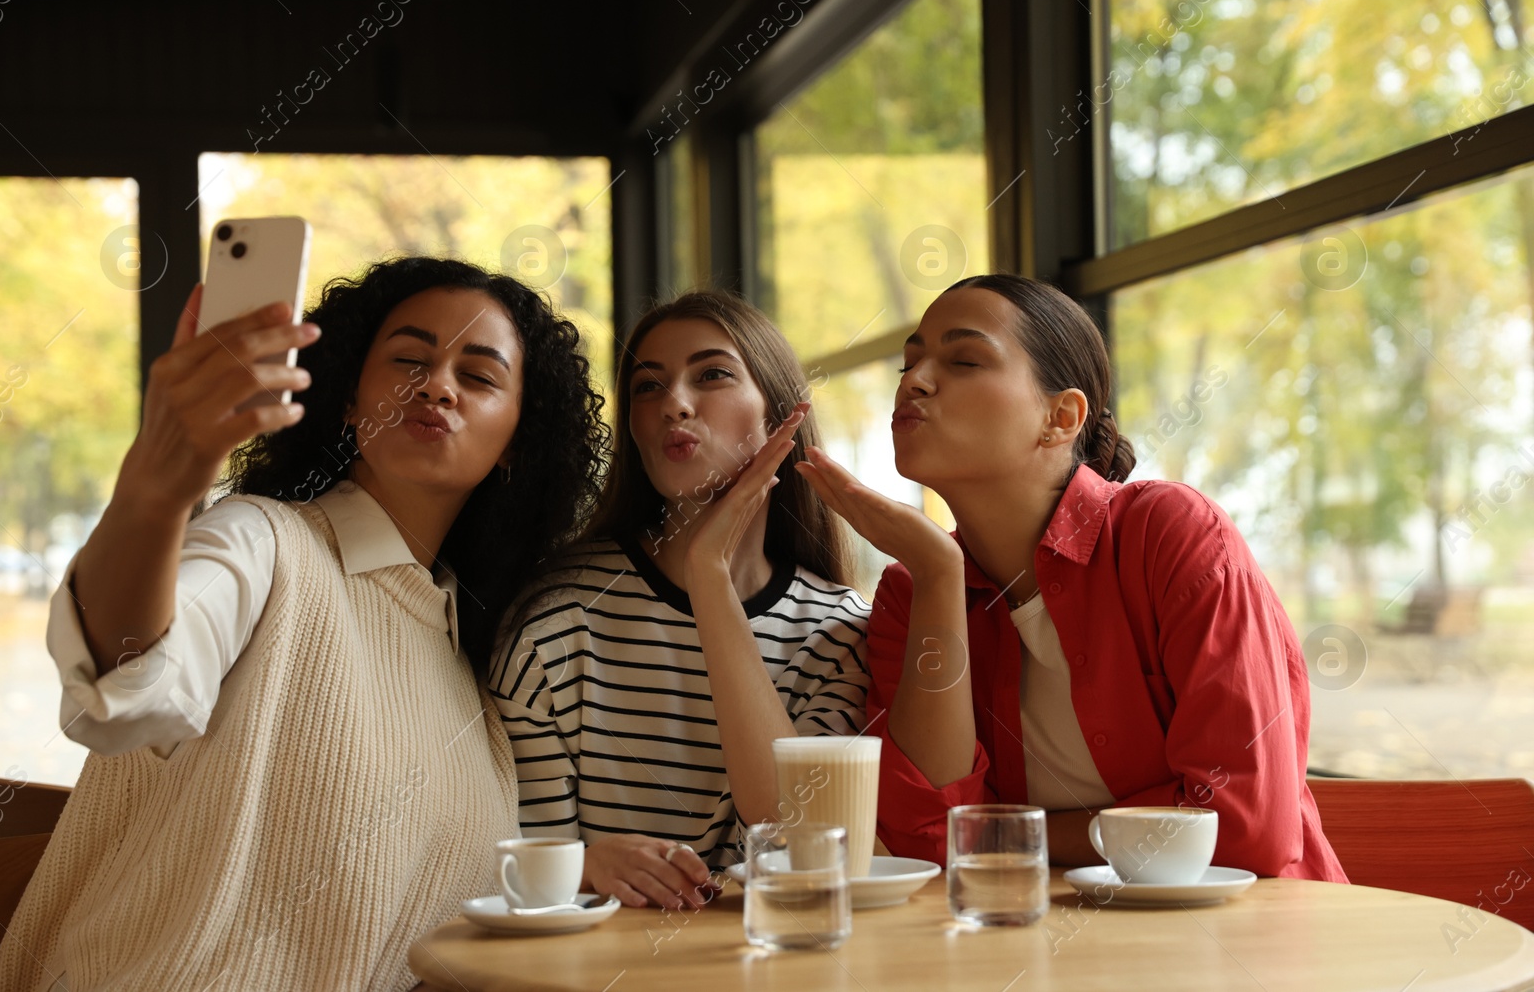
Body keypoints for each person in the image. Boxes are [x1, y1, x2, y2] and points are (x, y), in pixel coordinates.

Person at [0, 257, 610, 992]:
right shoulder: (262, 542)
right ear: (349, 399)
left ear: (514, 443)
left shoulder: (464, 660)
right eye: (409, 359)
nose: (437, 384)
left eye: (477, 376)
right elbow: (126, 682)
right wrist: (158, 485)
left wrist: (580, 863)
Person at [793, 272, 1347, 880]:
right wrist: (939, 575)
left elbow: (1244, 829)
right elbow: (925, 839)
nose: (915, 383)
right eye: (909, 364)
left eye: (965, 359)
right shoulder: (912, 592)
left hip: (1246, 952)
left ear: (1061, 416)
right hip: (1042, 957)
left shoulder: (1169, 535)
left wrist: (1001, 834)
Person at [490, 290, 871, 911]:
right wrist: (586, 868)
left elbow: (803, 848)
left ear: (783, 415)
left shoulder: (839, 629)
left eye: (712, 375)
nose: (675, 405)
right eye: (647, 387)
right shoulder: (557, 619)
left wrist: (708, 575)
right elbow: (514, 866)